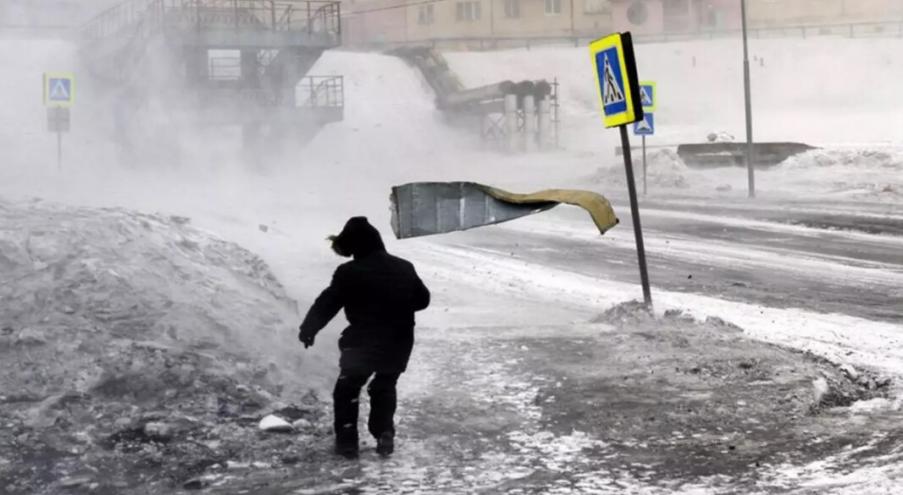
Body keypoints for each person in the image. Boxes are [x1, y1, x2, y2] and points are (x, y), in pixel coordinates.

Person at [298, 217, 431, 459]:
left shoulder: (349, 272)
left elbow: (328, 303)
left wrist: (309, 329)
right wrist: (397, 303)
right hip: (399, 340)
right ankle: (384, 433)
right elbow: (423, 300)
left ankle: (348, 442)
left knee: (347, 388)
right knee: (384, 386)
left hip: (363, 340)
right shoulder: (404, 266)